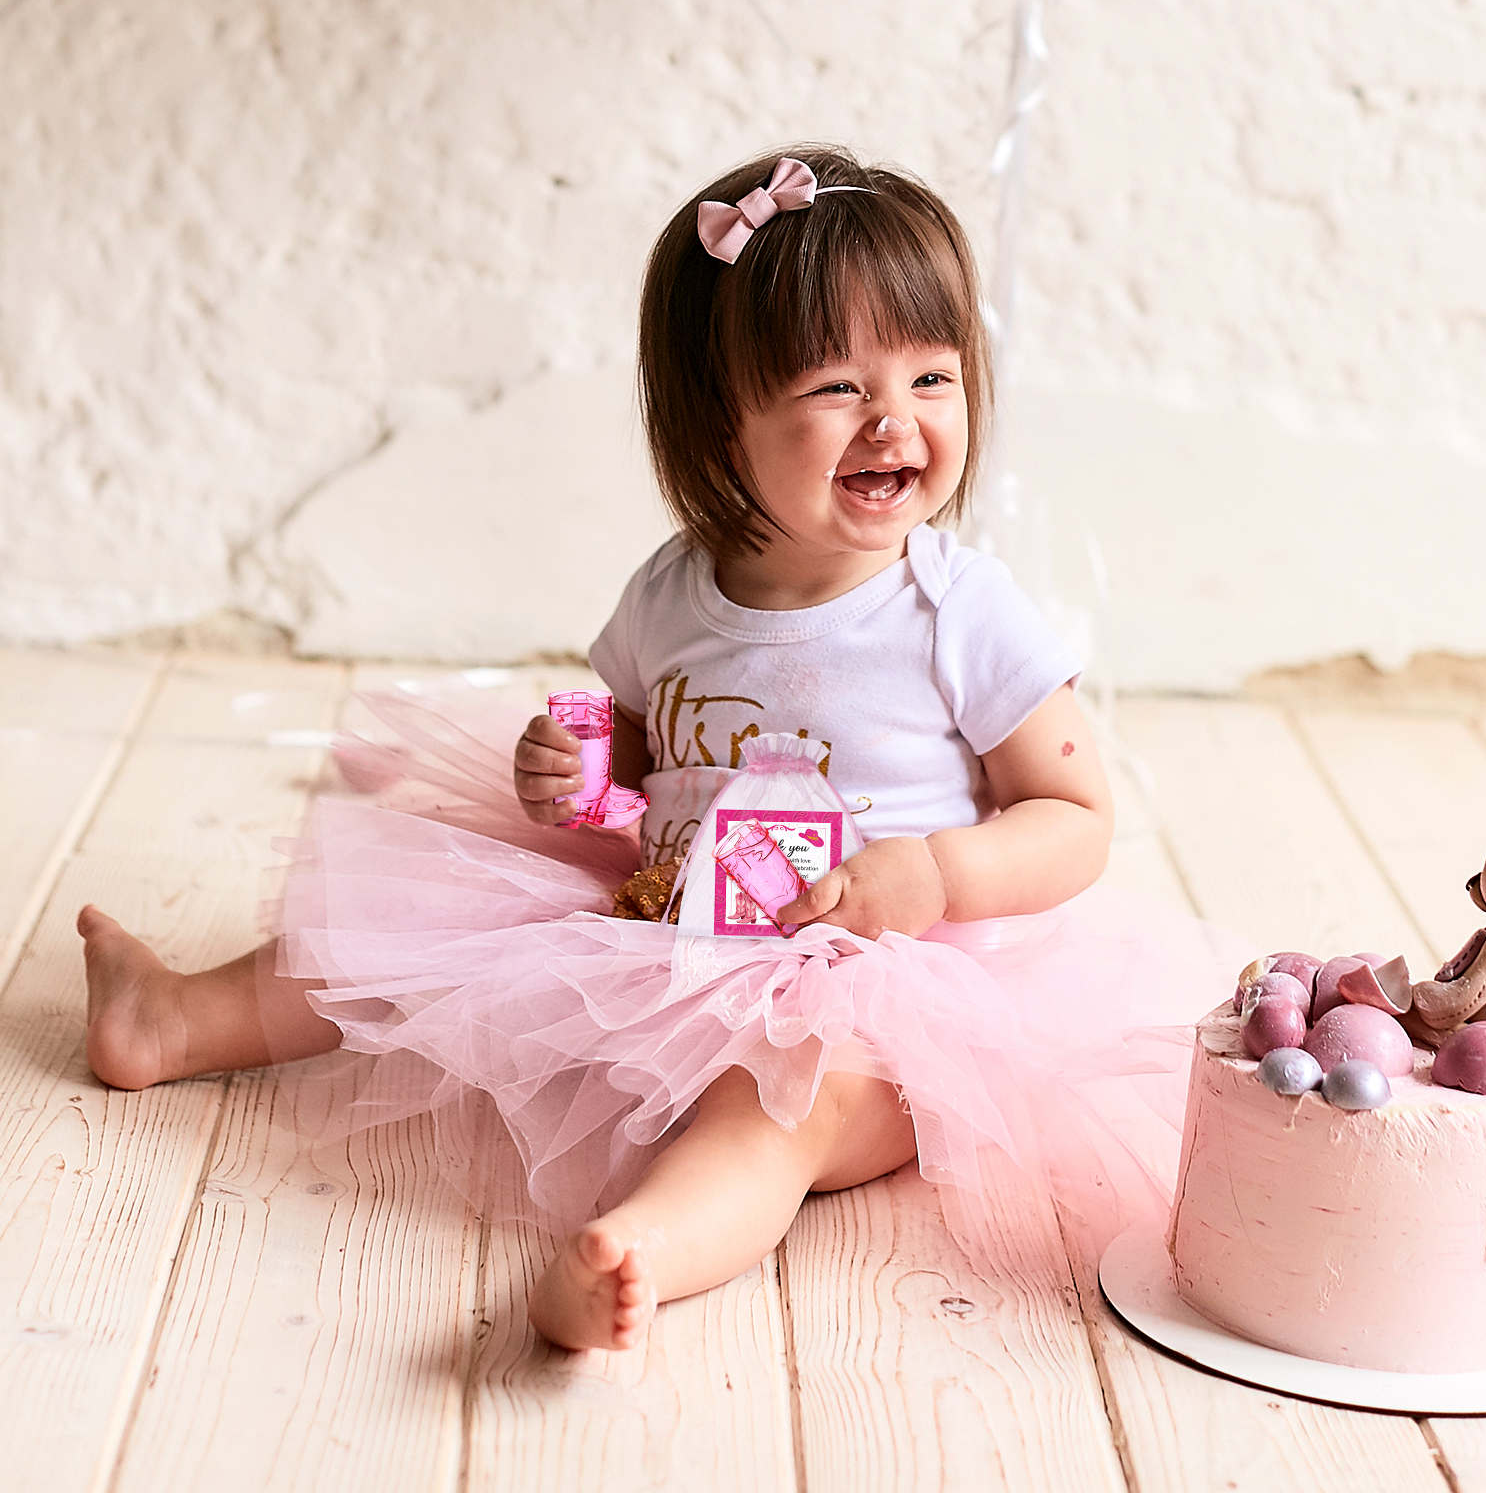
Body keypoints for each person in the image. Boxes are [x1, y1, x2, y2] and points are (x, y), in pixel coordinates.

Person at [79, 147, 1238, 1352]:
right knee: (404, 930)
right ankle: (178, 1019)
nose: (896, 419)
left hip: (879, 988)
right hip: (657, 935)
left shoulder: (958, 609)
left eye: (932, 376)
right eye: (838, 386)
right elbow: (641, 740)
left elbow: (1074, 815)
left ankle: (638, 1250)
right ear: (722, 421)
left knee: (780, 1112)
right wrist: (577, 771)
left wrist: (938, 873)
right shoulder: (677, 586)